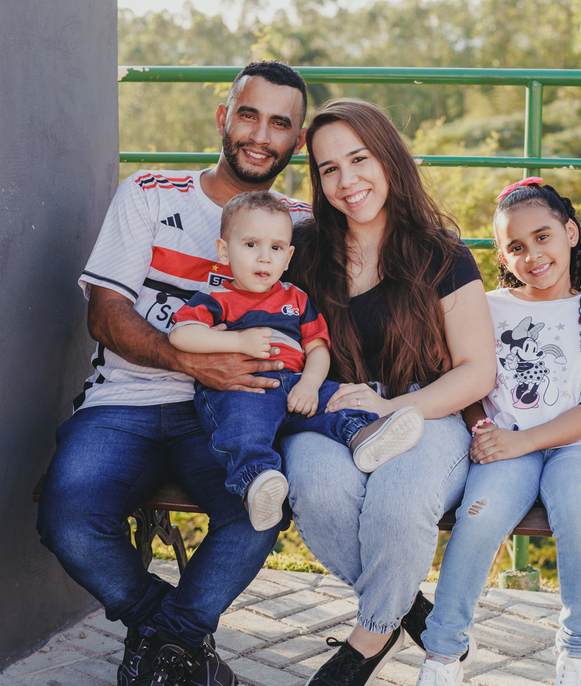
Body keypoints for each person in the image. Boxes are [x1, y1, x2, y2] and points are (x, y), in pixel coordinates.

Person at [36, 61, 312, 686]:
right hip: (124, 400)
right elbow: (106, 315)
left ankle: (157, 651)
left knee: (257, 511)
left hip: (227, 413)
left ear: (297, 141)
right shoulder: (150, 194)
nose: (261, 134)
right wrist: (190, 359)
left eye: (280, 123)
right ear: (224, 117)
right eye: (249, 114)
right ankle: (178, 638)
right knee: (68, 516)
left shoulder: (300, 225)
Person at [282, 99, 497, 686]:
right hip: (331, 416)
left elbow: (476, 370)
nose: (346, 180)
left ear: (389, 158)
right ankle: (405, 609)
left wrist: (394, 406)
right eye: (328, 169)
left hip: (426, 411)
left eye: (359, 159)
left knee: (400, 500)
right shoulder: (302, 250)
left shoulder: (441, 254)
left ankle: (369, 636)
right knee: (317, 489)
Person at [404, 177, 581, 686]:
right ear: (502, 256)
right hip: (504, 448)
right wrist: (479, 425)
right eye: (516, 247)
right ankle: (442, 656)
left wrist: (519, 441)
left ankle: (578, 657)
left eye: (543, 237)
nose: (533, 255)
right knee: (477, 517)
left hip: (576, 448)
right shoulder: (488, 308)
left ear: (570, 233)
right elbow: (463, 375)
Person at [169, 191, 425, 531]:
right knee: (241, 428)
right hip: (243, 388)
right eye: (251, 245)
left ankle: (363, 435)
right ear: (224, 250)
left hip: (296, 386)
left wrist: (310, 383)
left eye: (276, 248)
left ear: (288, 257)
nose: (264, 258)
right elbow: (181, 335)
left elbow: (317, 349)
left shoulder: (297, 298)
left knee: (337, 397)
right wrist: (237, 341)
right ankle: (258, 481)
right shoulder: (216, 298)